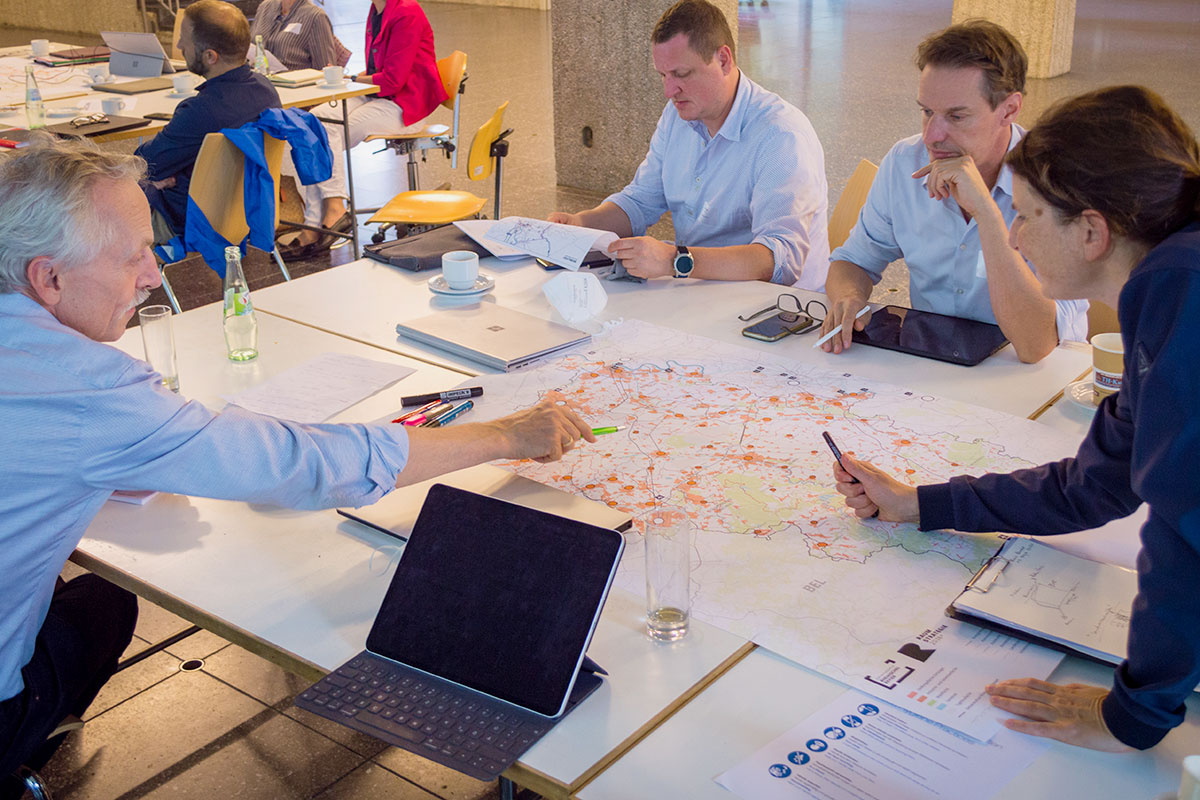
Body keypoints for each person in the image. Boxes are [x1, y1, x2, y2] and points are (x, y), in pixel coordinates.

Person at [0, 137, 596, 785]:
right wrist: (506, 435)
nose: (152, 274)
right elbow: (299, 465)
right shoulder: (84, 387)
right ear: (48, 278)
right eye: (131, 256)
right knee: (107, 604)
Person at [832, 85, 1200, 751]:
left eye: (1027, 216)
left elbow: (1184, 538)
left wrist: (1133, 717)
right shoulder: (1164, 282)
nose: (1013, 235)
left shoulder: (1182, 295)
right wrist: (920, 503)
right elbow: (1095, 484)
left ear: (1092, 232)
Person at [820, 20, 1088, 363]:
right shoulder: (905, 162)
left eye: (957, 117)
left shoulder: (1059, 181)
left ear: (1009, 109)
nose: (932, 136)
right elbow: (854, 261)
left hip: (1036, 373)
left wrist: (986, 213)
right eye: (926, 112)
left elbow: (1037, 345)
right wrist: (849, 296)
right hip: (938, 365)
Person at [548, 0, 830, 289]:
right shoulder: (678, 115)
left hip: (779, 304)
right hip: (702, 289)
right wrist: (582, 224)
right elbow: (641, 200)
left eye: (681, 75)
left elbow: (781, 261)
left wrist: (676, 260)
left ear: (723, 60)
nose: (669, 90)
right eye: (663, 75)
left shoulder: (781, 136)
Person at [279, 0, 447, 259]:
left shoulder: (407, 12)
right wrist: (349, 80)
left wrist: (354, 80)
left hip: (405, 105)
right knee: (314, 121)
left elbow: (392, 81)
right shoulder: (377, 9)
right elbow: (377, 69)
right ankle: (317, 218)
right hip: (378, 94)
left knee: (326, 133)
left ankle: (331, 212)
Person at [136, 0, 281, 244]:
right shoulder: (266, 90)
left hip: (191, 222)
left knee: (98, 208)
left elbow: (142, 164)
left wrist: (155, 181)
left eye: (185, 40)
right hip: (253, 213)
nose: (179, 46)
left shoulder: (200, 111)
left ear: (210, 56)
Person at [249, 0, 351, 73]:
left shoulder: (316, 16)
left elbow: (325, 71)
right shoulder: (265, 7)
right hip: (259, 86)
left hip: (296, 90)